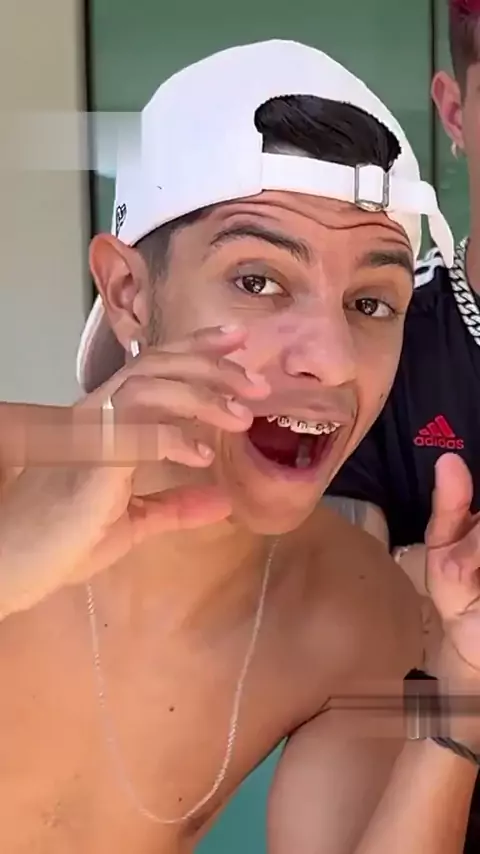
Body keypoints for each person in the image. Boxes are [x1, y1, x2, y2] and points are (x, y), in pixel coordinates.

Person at [1, 38, 480, 854]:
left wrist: (463, 690)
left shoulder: (353, 608)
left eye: (371, 302)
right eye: (257, 281)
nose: (331, 358)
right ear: (128, 292)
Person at [326, 0, 480, 849]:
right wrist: (433, 580)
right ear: (455, 111)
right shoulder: (376, 336)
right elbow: (336, 600)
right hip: (429, 780)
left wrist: (420, 570)